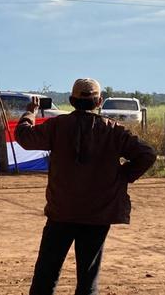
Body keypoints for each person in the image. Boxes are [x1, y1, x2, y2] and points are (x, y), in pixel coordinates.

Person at [14, 78, 156, 295]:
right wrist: (123, 176)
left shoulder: (57, 126)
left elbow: (24, 137)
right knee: (88, 280)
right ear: (99, 102)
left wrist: (30, 112)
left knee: (46, 275)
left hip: (61, 212)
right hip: (98, 215)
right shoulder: (114, 131)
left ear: (72, 101)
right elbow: (147, 154)